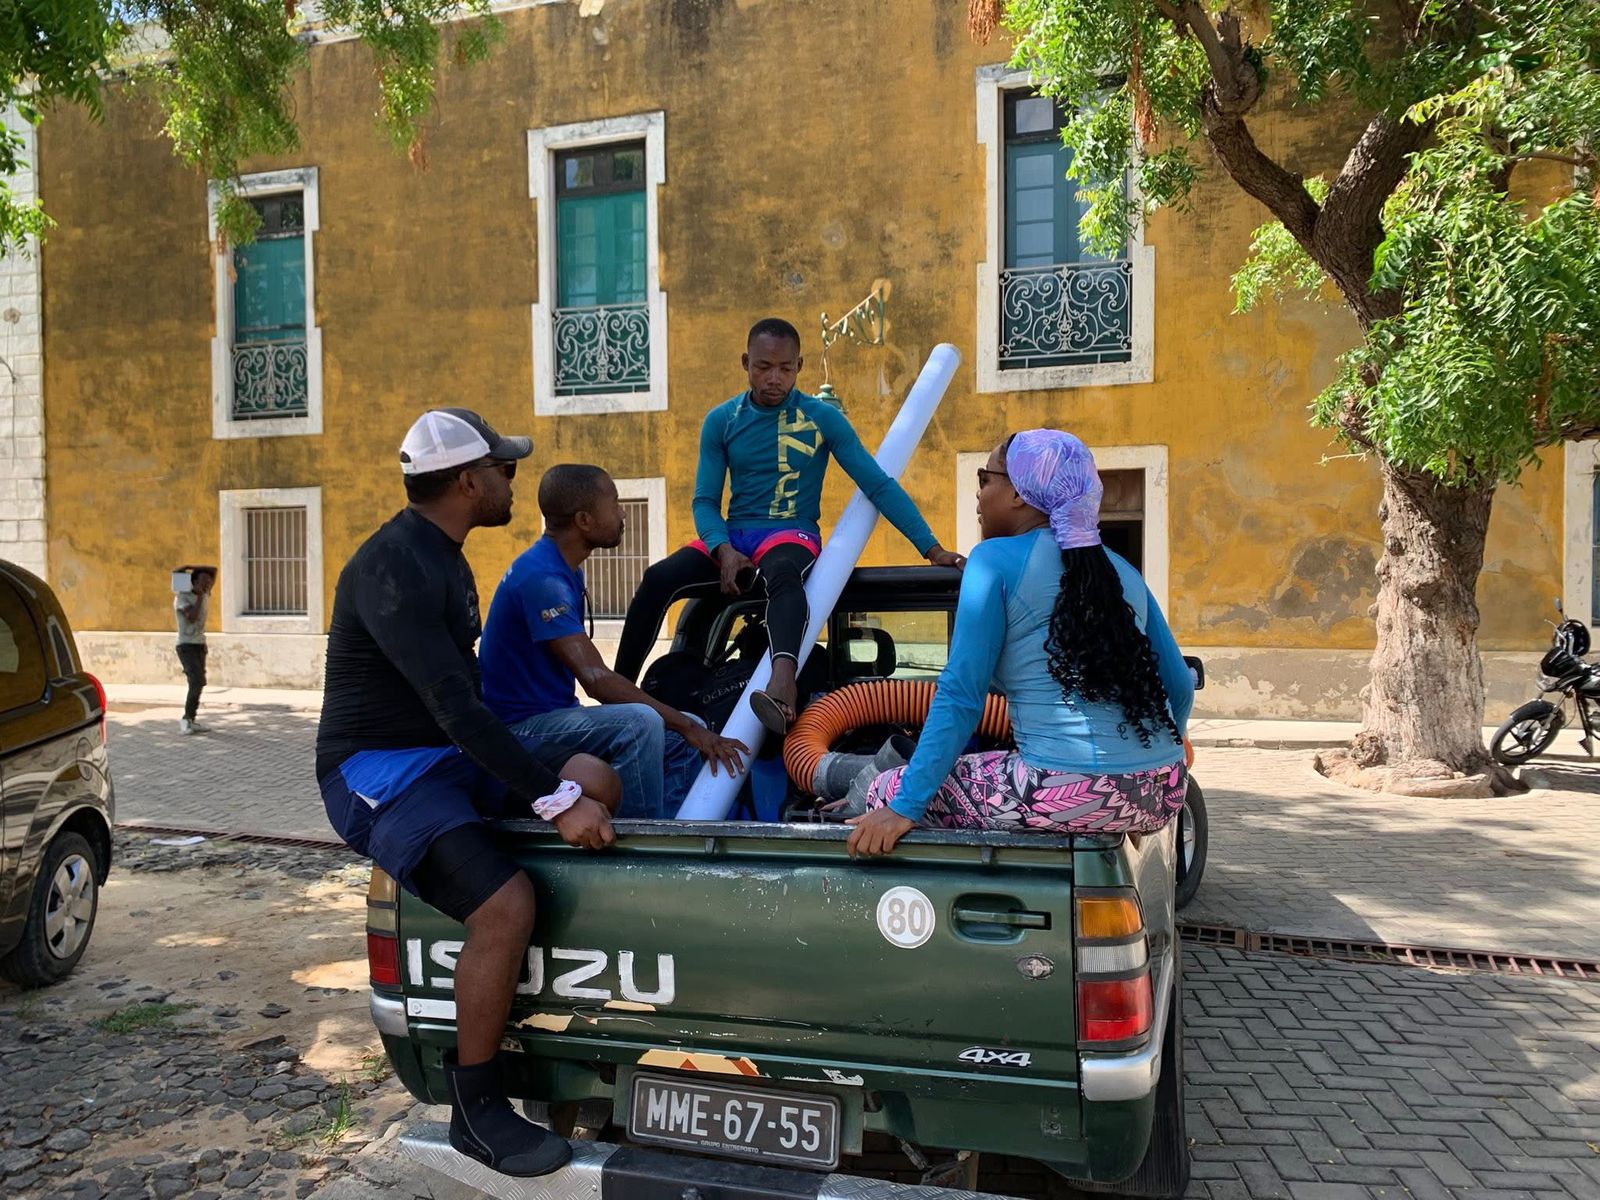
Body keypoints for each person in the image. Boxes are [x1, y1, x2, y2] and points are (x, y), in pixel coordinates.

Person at [317, 408, 621, 1178]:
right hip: (377, 773)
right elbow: (455, 703)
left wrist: (565, 787)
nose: (513, 481)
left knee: (598, 775)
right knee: (505, 903)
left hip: (442, 755)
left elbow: (469, 710)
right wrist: (551, 802)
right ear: (466, 481)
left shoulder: (447, 556)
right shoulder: (391, 568)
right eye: (505, 471)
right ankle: (476, 1111)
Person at [843, 429, 1194, 859]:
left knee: (885, 788)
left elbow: (961, 696)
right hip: (1162, 786)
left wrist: (903, 808)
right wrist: (1129, 786)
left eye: (985, 479)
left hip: (1068, 790)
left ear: (1019, 495)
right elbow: (1177, 685)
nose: (978, 494)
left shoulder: (993, 560)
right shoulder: (1121, 569)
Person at [613, 317, 964, 732]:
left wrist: (931, 547)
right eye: (763, 367)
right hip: (735, 533)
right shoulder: (722, 420)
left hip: (790, 531)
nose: (774, 378)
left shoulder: (821, 418)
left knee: (783, 575)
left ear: (800, 366)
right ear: (746, 363)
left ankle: (783, 685)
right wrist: (723, 550)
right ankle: (617, 694)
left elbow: (876, 484)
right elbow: (705, 501)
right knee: (657, 578)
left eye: (785, 368)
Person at [480, 464, 748, 818]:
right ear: (584, 520)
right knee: (643, 724)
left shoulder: (563, 568)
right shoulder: (542, 578)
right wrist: (691, 728)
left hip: (554, 715)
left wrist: (689, 728)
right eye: (615, 503)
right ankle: (639, 847)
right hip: (520, 729)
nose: (622, 512)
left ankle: (677, 836)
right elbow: (595, 680)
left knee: (681, 732)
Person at [174, 567, 215, 735]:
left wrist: (194, 568)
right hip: (186, 645)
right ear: (194, 582)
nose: (207, 584)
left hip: (199, 644)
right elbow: (192, 617)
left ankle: (191, 719)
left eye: (209, 581)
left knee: (198, 683)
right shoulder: (182, 597)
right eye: (203, 581)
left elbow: (214, 570)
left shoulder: (205, 593)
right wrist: (183, 572)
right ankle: (186, 719)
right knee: (196, 680)